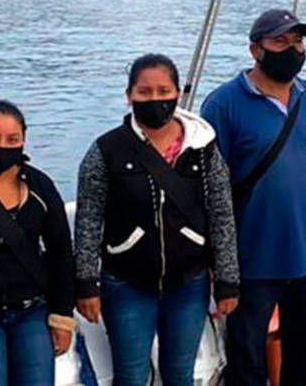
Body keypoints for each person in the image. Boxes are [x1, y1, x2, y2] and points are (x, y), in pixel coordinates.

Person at [200, 9, 306, 386]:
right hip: (251, 260)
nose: (292, 49)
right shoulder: (223, 104)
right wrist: (217, 259)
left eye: (298, 41)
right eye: (280, 41)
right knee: (247, 360)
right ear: (256, 49)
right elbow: (209, 187)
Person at [74, 54, 240, 386]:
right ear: (129, 96)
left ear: (177, 94)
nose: (154, 99)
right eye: (144, 91)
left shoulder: (203, 149)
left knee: (180, 373)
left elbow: (221, 214)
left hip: (189, 282)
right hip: (126, 282)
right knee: (132, 375)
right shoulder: (106, 151)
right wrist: (86, 283)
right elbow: (88, 221)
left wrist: (227, 279)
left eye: (163, 91)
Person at [0, 100, 76, 386]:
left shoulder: (40, 186)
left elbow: (60, 252)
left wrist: (62, 317)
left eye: (12, 139)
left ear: (23, 141)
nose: (2, 146)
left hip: (32, 309)